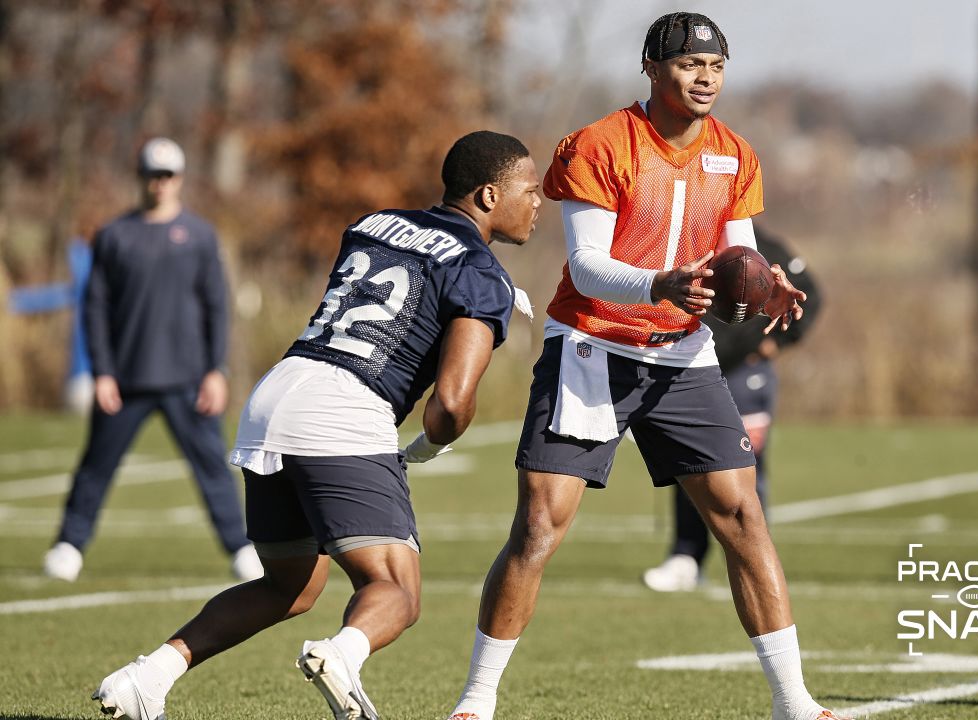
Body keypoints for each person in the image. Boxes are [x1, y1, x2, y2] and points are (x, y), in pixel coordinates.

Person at [446, 13, 841, 720]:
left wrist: (764, 282)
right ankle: (477, 699)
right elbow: (591, 269)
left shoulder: (736, 154)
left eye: (716, 67)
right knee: (539, 525)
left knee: (744, 518)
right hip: (595, 346)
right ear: (653, 69)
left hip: (683, 355)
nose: (705, 79)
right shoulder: (601, 144)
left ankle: (793, 701)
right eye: (690, 65)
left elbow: (736, 255)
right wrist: (660, 284)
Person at [91, 130, 541, 720]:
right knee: (396, 591)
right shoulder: (481, 272)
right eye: (530, 190)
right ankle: (341, 655)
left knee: (292, 585)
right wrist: (430, 444)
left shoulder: (373, 222)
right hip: (344, 408)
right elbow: (452, 403)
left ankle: (146, 677)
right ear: (488, 196)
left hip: (278, 391)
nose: (539, 202)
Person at [43, 137, 261, 583]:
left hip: (188, 380)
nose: (159, 184)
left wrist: (215, 370)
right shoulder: (114, 236)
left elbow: (216, 307)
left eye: (168, 176)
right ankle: (69, 545)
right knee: (96, 466)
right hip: (125, 380)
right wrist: (101, 371)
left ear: (179, 179)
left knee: (211, 468)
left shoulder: (200, 235)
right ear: (140, 177)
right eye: (152, 175)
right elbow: (95, 309)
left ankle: (241, 548)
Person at [644, 228, 822, 592]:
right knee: (688, 462)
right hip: (695, 367)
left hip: (745, 373)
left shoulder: (764, 248)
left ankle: (753, 558)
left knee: (745, 468)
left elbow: (811, 295)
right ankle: (686, 556)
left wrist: (777, 340)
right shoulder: (689, 241)